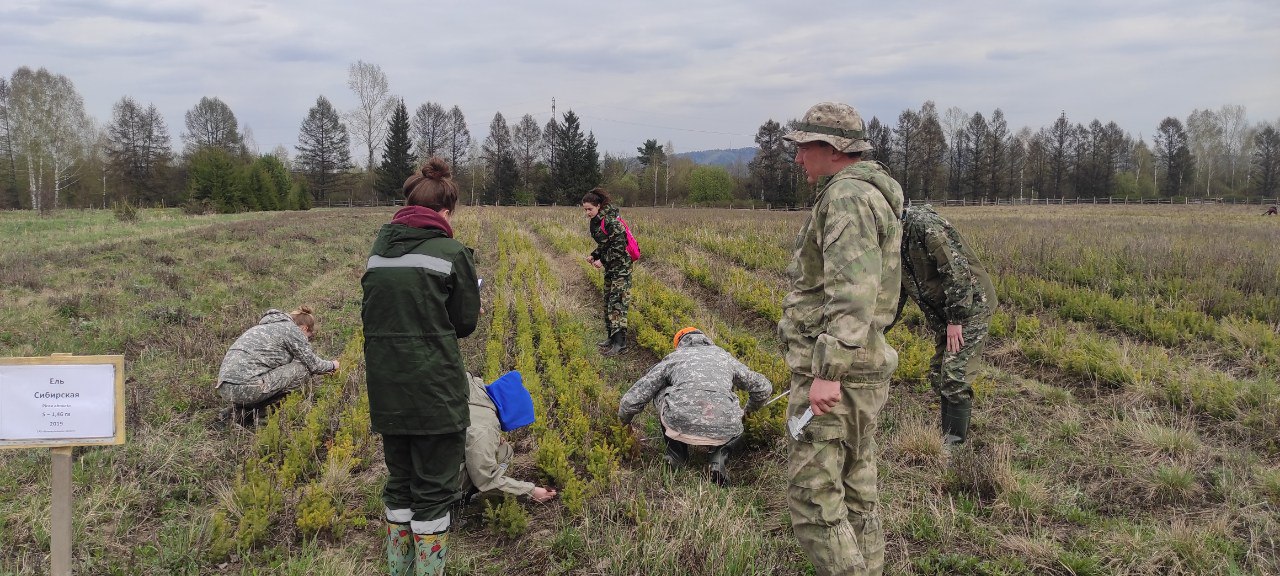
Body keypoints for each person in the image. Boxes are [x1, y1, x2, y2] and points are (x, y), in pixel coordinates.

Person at [778, 102, 903, 576]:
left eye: (804, 147)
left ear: (831, 149)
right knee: (855, 487)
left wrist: (827, 372)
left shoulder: (848, 197)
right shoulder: (873, 194)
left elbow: (852, 291)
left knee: (814, 495)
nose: (798, 159)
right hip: (865, 366)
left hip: (838, 373)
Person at [362, 157, 481, 576]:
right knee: (433, 489)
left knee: (399, 482)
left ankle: (400, 569)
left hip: (386, 389)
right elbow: (465, 323)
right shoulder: (450, 251)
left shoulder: (378, 251)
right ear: (444, 212)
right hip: (435, 391)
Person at [892, 205, 997, 446]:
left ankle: (954, 446)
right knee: (939, 375)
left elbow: (956, 269)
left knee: (954, 376)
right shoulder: (892, 241)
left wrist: (955, 320)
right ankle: (948, 434)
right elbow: (897, 292)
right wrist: (876, 330)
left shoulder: (923, 226)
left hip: (971, 308)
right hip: (944, 314)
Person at [618, 327, 774, 486]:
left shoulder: (674, 357)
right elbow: (764, 388)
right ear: (706, 340)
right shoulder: (724, 357)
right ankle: (717, 460)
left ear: (679, 344)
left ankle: (676, 455)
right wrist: (747, 412)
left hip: (679, 421)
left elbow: (634, 397)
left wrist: (623, 424)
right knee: (728, 399)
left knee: (660, 390)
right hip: (726, 424)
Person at [215, 306, 338, 424]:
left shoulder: (264, 328)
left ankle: (240, 411)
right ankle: (263, 413)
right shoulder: (292, 330)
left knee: (286, 368)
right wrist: (332, 365)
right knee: (302, 369)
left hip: (224, 387)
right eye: (308, 337)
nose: (307, 340)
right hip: (246, 388)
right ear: (304, 329)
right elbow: (313, 365)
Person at [459, 373, 557, 503]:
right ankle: (462, 498)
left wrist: (493, 437)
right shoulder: (485, 429)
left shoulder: (471, 384)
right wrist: (531, 492)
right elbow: (486, 478)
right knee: (505, 452)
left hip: (430, 450)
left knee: (502, 448)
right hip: (435, 482)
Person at [582, 187, 632, 356]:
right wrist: (594, 254)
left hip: (621, 268)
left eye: (590, 209)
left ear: (599, 206)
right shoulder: (597, 221)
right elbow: (605, 244)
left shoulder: (611, 221)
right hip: (611, 267)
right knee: (607, 301)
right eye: (585, 210)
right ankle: (611, 338)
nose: (587, 213)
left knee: (617, 303)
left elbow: (619, 246)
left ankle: (621, 344)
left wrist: (601, 260)